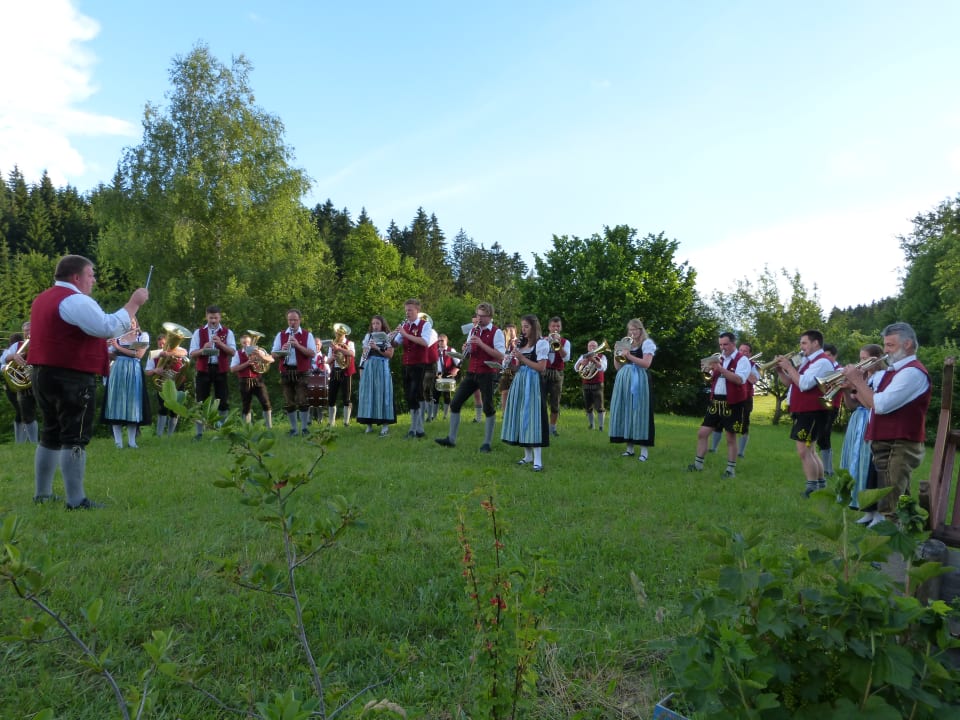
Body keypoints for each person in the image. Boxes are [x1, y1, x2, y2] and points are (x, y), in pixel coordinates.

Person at [29, 254, 148, 508]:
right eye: (91, 274)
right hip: (70, 376)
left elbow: (66, 337)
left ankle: (42, 494)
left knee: (50, 433)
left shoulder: (42, 299)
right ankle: (76, 500)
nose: (93, 279)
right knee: (75, 436)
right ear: (76, 277)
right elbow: (106, 327)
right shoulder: (75, 300)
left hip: (42, 373)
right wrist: (133, 304)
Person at [841, 322, 931, 523]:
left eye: (890, 345)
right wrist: (853, 388)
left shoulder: (912, 372)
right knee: (896, 500)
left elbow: (880, 405)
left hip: (899, 444)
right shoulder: (895, 371)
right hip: (887, 443)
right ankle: (903, 544)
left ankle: (889, 550)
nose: (886, 351)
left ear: (907, 344)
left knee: (890, 508)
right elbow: (869, 404)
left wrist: (857, 380)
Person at [435, 302, 505, 452]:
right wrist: (466, 350)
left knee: (488, 406)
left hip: (487, 373)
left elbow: (500, 355)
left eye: (482, 316)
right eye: (478, 315)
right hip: (472, 372)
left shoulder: (496, 332)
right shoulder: (473, 330)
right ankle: (451, 439)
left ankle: (487, 443)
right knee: (455, 403)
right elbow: (468, 355)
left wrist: (480, 344)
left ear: (490, 317)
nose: (479, 319)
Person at [774, 329, 836, 497]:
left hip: (813, 412)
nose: (801, 347)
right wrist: (781, 371)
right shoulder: (807, 361)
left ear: (815, 343)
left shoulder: (821, 362)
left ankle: (811, 487)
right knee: (810, 450)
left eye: (804, 343)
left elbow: (804, 384)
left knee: (804, 451)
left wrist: (788, 366)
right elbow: (791, 383)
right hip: (805, 411)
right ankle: (820, 484)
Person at [687, 332, 750, 476]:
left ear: (734, 344)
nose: (723, 348)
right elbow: (712, 379)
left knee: (730, 437)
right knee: (702, 433)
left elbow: (739, 379)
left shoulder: (742, 360)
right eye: (721, 344)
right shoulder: (719, 358)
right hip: (716, 400)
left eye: (725, 344)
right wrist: (707, 370)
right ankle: (698, 465)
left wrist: (720, 369)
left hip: (732, 403)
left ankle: (730, 470)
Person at [839, 343, 884, 522]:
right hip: (857, 421)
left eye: (865, 359)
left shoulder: (881, 377)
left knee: (869, 465)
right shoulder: (864, 378)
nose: (861, 362)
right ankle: (866, 509)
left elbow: (871, 404)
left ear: (877, 359)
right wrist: (845, 391)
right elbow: (853, 406)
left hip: (870, 421)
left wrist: (856, 386)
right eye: (860, 359)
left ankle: (878, 512)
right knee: (856, 464)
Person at [500, 315, 549, 470]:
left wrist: (522, 357)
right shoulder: (522, 345)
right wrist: (510, 363)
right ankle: (527, 456)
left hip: (533, 383)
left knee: (533, 417)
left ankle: (538, 460)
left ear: (534, 327)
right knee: (521, 416)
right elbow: (519, 367)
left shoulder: (541, 344)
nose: (524, 330)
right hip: (520, 382)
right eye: (523, 326)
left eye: (527, 326)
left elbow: (541, 367)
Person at [609, 319, 656, 461]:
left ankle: (644, 452)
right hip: (624, 379)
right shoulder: (626, 343)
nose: (632, 332)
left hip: (639, 379)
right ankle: (629, 449)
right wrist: (616, 354)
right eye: (630, 330)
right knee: (626, 411)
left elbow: (646, 364)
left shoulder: (647, 344)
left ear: (641, 330)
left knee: (640, 412)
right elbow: (617, 367)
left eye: (635, 329)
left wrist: (629, 355)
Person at [102, 317, 151, 449]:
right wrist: (105, 349)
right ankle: (118, 442)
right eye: (127, 323)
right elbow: (113, 356)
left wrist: (118, 347)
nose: (130, 325)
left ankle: (132, 441)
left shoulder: (142, 336)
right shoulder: (117, 337)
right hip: (118, 370)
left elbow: (138, 355)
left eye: (133, 322)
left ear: (136, 323)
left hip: (134, 371)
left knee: (133, 404)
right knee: (116, 403)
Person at [189, 306, 236, 439]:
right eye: (211, 318)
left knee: (223, 399)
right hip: (204, 369)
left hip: (220, 369)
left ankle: (222, 431)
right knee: (200, 400)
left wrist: (220, 344)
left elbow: (233, 352)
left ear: (220, 317)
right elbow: (192, 353)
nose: (213, 321)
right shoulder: (198, 332)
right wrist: (203, 349)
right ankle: (199, 432)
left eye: (216, 318)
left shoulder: (228, 332)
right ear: (206, 317)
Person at [708, 342, 760, 457]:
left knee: (743, 425)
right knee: (719, 423)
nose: (742, 353)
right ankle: (713, 448)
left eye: (745, 351)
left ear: (750, 353)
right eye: (740, 350)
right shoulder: (729, 361)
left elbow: (753, 380)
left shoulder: (752, 365)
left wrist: (745, 371)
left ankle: (740, 452)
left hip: (745, 398)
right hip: (728, 396)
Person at [271, 309, 316, 437]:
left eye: (295, 320)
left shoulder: (308, 335)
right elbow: (273, 354)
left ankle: (304, 428)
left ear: (299, 320)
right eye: (290, 320)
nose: (292, 322)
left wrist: (297, 345)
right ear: (287, 320)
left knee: (303, 400)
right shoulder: (281, 335)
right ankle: (294, 429)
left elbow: (312, 353)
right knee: (289, 401)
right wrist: (282, 349)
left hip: (302, 371)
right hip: (286, 371)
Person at [391, 299, 432, 438]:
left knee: (414, 394)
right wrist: (389, 339)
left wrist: (405, 334)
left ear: (417, 311)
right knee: (409, 395)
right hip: (406, 364)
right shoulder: (405, 326)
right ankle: (419, 429)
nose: (407, 313)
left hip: (419, 364)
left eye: (410, 310)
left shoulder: (425, 325)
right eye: (406, 310)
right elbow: (396, 344)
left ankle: (413, 429)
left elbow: (425, 342)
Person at [356, 315, 396, 436]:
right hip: (369, 368)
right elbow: (364, 356)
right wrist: (361, 370)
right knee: (369, 393)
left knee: (383, 393)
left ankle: (385, 425)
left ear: (382, 324)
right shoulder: (368, 336)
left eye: (377, 323)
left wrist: (377, 348)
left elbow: (390, 355)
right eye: (373, 324)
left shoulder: (387, 336)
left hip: (382, 367)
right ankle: (369, 424)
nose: (375, 326)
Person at [144, 331, 188, 437]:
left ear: (168, 343)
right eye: (160, 345)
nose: (162, 347)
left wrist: (169, 353)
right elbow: (147, 372)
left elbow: (185, 353)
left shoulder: (178, 350)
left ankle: (170, 435)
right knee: (162, 408)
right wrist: (155, 371)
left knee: (175, 409)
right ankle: (159, 434)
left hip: (177, 382)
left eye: (164, 344)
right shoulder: (154, 354)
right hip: (162, 384)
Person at [231, 332, 274, 427]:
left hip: (257, 379)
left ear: (250, 343)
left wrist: (262, 357)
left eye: (247, 343)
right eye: (243, 343)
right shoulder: (237, 354)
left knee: (265, 402)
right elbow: (233, 369)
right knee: (246, 406)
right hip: (244, 381)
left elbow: (272, 360)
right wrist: (247, 363)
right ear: (241, 344)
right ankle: (248, 429)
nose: (246, 345)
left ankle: (269, 427)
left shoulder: (258, 350)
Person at [2, 322, 37, 442]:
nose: (28, 333)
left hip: (41, 381)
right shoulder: (17, 345)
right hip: (24, 384)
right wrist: (13, 356)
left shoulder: (42, 343)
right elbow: (2, 360)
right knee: (26, 413)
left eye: (30, 330)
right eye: (25, 331)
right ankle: (33, 443)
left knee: (49, 410)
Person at [543, 317, 571, 436]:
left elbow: (566, 358)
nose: (556, 328)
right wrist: (546, 342)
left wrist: (558, 344)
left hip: (557, 373)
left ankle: (552, 429)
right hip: (543, 372)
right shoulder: (542, 340)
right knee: (541, 401)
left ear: (561, 328)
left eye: (558, 326)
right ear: (549, 327)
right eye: (553, 326)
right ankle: (542, 427)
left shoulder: (565, 342)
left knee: (555, 402)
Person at [817, 343, 842, 476]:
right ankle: (824, 467)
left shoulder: (839, 369)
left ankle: (828, 469)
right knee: (820, 436)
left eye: (828, 356)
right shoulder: (822, 367)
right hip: (820, 404)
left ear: (834, 356)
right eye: (824, 356)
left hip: (832, 405)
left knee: (824, 434)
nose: (826, 359)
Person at [574, 339, 608, 431]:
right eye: (590, 346)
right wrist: (581, 363)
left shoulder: (602, 356)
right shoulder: (583, 356)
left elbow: (603, 368)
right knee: (588, 406)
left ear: (597, 347)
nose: (592, 347)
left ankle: (601, 426)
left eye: (594, 346)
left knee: (599, 406)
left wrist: (595, 361)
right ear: (587, 348)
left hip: (598, 384)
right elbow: (576, 368)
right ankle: (591, 425)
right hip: (586, 384)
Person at [326, 325, 356, 428]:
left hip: (346, 372)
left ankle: (346, 422)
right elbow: (328, 361)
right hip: (335, 372)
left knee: (346, 397)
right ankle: (331, 422)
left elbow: (352, 354)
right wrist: (333, 357)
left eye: (340, 333)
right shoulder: (332, 345)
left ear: (344, 334)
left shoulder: (350, 343)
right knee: (331, 397)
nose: (337, 334)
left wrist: (339, 349)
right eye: (337, 333)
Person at [1, 331, 25, 442]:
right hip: (12, 385)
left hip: (17, 384)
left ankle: (21, 441)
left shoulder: (9, 352)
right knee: (21, 411)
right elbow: (2, 367)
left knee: (22, 411)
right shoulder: (7, 353)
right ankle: (20, 440)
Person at [435, 333, 460, 420]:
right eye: (439, 341)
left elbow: (459, 363)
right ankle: (434, 415)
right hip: (437, 375)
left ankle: (445, 415)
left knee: (446, 395)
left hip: (447, 374)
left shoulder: (451, 350)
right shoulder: (435, 351)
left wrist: (455, 370)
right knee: (435, 395)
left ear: (446, 341)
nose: (440, 342)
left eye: (442, 340)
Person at [498, 323, 518, 414]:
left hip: (516, 368)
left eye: (511, 331)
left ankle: (514, 412)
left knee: (515, 391)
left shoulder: (519, 341)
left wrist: (513, 345)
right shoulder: (504, 343)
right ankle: (504, 412)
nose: (509, 333)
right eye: (507, 331)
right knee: (504, 391)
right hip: (506, 368)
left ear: (515, 331)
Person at [422, 324, 439, 422]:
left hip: (430, 364)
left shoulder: (432, 332)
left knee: (429, 389)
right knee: (423, 389)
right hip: (421, 363)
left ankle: (430, 415)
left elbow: (425, 343)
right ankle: (426, 415)